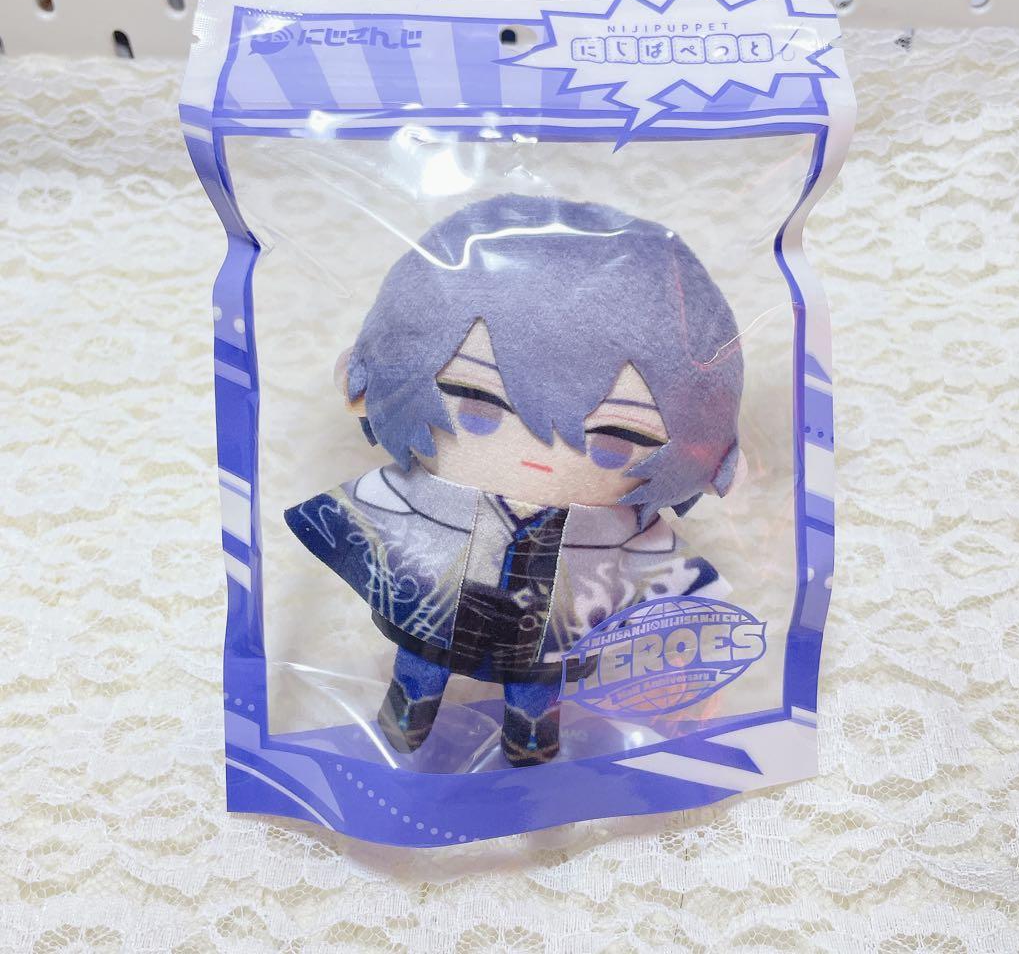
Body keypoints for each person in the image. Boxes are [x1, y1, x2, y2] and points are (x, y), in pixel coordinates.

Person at [285, 194, 743, 766]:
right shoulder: (426, 497)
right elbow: (370, 518)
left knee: (535, 695)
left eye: (613, 441)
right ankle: (407, 718)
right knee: (420, 671)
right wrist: (371, 380)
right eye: (479, 404)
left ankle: (530, 741)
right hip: (437, 616)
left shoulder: (613, 532)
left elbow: (666, 575)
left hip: (546, 642)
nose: (543, 457)